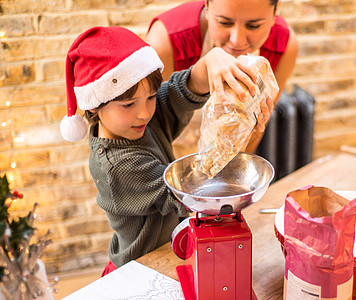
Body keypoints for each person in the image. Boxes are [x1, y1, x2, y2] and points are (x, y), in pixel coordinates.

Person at [59, 26, 273, 275]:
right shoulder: (115, 167)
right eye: (128, 104)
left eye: (150, 97)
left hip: (171, 252)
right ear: (94, 107)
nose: (145, 112)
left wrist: (212, 62)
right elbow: (188, 193)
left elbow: (186, 88)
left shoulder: (138, 119)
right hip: (140, 268)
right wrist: (237, 135)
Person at [146, 0, 298, 154]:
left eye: (254, 26)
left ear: (275, 11)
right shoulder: (166, 42)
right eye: (224, 23)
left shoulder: (283, 45)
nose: (237, 41)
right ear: (206, 5)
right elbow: (150, 131)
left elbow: (255, 129)